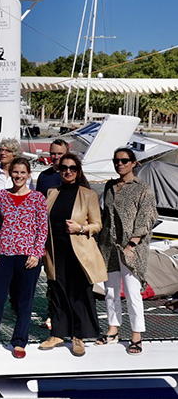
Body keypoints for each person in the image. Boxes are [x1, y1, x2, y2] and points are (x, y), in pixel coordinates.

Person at [0, 157, 48, 359]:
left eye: (22, 173)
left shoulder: (37, 198)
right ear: (10, 174)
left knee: (24, 300)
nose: (18, 176)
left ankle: (19, 340)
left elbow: (43, 228)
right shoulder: (1, 196)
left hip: (28, 257)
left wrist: (36, 253)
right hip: (4, 254)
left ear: (29, 175)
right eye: (15, 172)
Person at [39, 153, 107, 357]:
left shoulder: (88, 194)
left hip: (79, 252)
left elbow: (98, 225)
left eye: (72, 168)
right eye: (64, 168)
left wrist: (81, 227)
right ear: (59, 170)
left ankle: (78, 336)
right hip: (55, 250)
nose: (68, 171)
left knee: (78, 293)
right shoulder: (52, 192)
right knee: (57, 290)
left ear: (78, 171)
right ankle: (58, 334)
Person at [96, 148, 157, 356]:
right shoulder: (110, 186)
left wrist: (132, 245)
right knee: (111, 290)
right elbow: (106, 216)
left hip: (132, 248)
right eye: (116, 161)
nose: (119, 164)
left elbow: (147, 218)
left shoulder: (143, 189)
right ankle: (113, 331)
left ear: (133, 163)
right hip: (108, 245)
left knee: (132, 292)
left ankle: (136, 335)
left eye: (124, 161)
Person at [35, 138, 69, 330]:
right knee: (50, 278)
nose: (55, 157)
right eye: (53, 153)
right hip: (45, 235)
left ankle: (63, 316)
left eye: (59, 154)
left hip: (65, 236)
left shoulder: (73, 175)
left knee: (63, 278)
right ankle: (52, 315)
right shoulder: (44, 176)